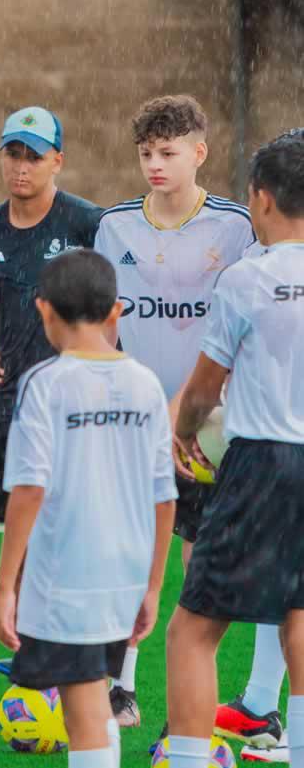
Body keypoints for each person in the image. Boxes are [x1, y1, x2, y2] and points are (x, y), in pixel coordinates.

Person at [93, 95, 264, 734]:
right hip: (136, 420)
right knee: (129, 557)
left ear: (200, 151)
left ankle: (208, 713)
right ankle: (121, 690)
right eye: (145, 154)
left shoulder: (236, 226)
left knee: (202, 571)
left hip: (208, 425)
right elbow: (104, 325)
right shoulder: (113, 227)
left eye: (168, 153)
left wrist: (198, 409)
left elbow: (248, 328)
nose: (155, 165)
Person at [0, 248, 176, 768]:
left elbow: (28, 491)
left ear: (43, 310)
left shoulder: (44, 384)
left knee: (82, 708)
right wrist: (154, 584)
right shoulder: (145, 385)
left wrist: (7, 586)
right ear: (116, 311)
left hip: (64, 580)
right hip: (124, 574)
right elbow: (166, 496)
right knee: (95, 694)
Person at [165, 130, 304, 768]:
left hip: (265, 461)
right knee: (300, 613)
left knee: (193, 628)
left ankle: (189, 758)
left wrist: (183, 429)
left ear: (262, 198)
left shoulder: (246, 279)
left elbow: (202, 389)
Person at [0, 106, 102, 526]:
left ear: (57, 161)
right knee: (18, 532)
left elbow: (117, 305)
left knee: (76, 527)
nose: (20, 167)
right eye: (13, 154)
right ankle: (16, 595)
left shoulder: (88, 223)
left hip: (75, 401)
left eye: (34, 157)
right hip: (15, 402)